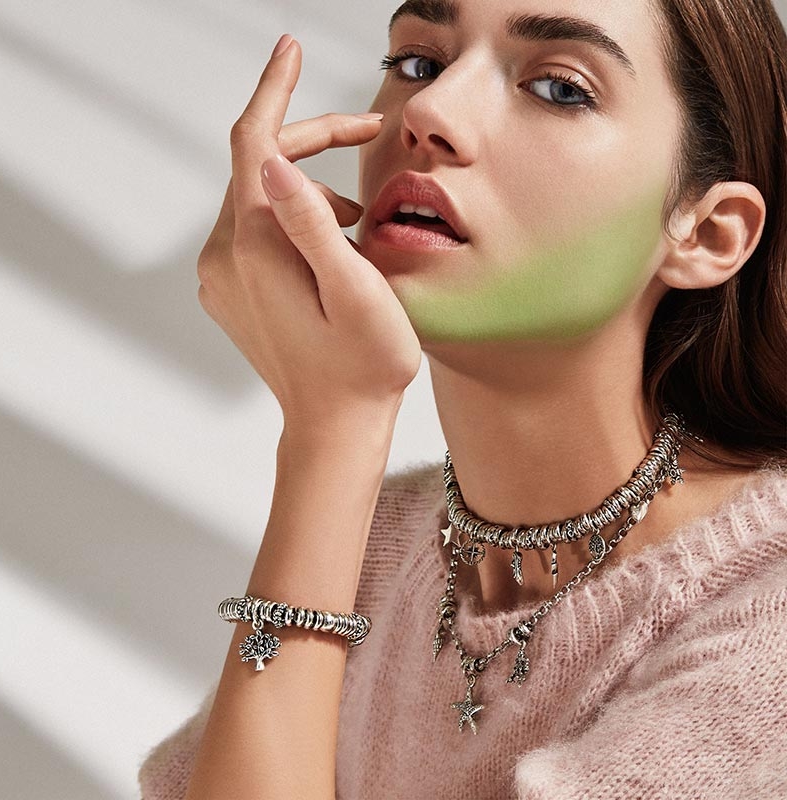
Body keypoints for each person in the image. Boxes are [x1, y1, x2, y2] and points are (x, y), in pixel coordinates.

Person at [138, 0, 787, 796]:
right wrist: (330, 441)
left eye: (559, 88)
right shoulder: (375, 536)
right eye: (417, 64)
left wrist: (332, 431)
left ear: (709, 232)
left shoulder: (767, 611)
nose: (429, 112)